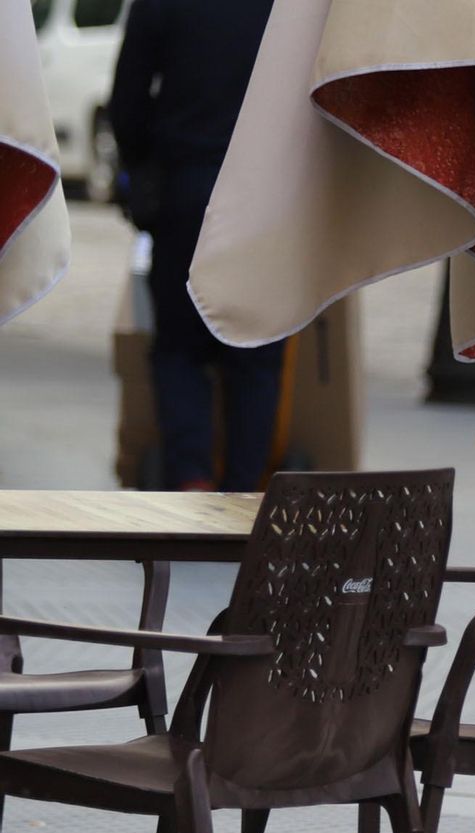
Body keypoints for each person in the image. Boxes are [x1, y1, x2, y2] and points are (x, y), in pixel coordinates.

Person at [109, 0, 280, 492]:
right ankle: (246, 492)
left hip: (185, 184)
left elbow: (128, 97)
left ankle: (192, 479)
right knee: (257, 346)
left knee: (179, 348)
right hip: (263, 190)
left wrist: (142, 164)